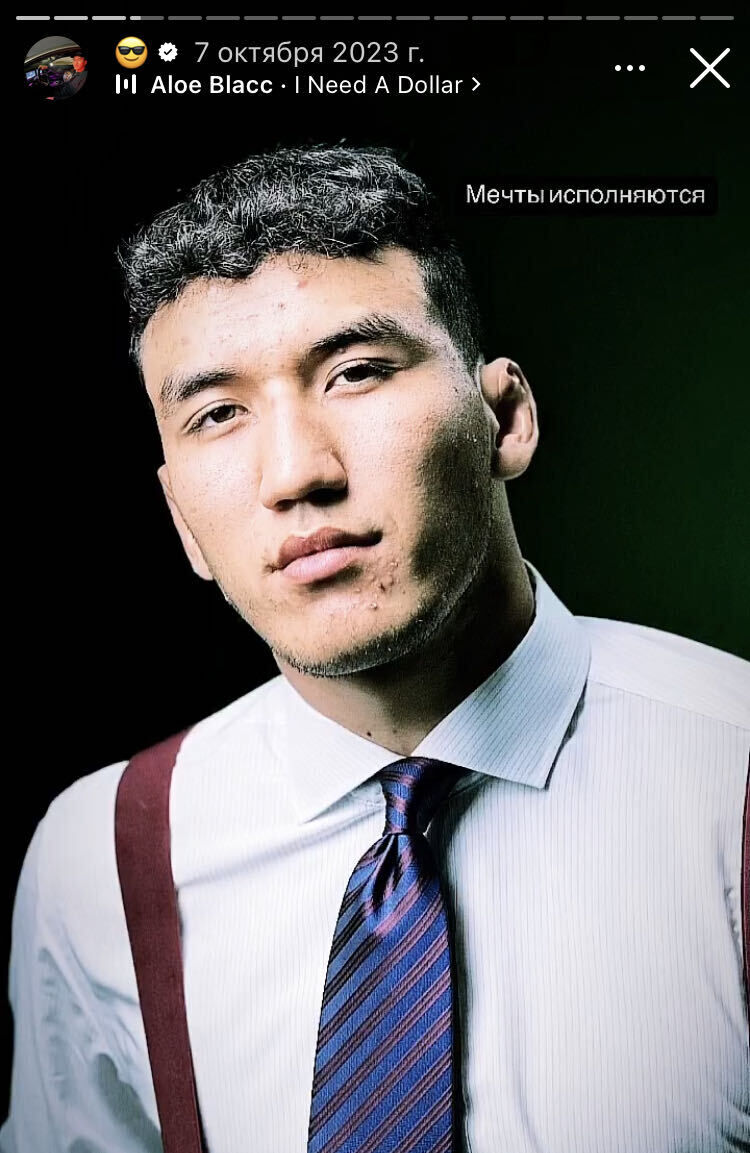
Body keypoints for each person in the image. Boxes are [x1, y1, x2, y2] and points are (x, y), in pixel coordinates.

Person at [2, 145, 748, 1153]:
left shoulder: (732, 772)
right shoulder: (101, 857)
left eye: (355, 372)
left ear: (505, 418)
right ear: (182, 521)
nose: (295, 473)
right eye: (218, 414)